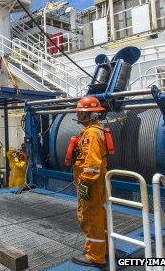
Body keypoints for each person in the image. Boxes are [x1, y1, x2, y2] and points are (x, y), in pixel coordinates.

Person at [71, 96, 109, 268]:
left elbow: (92, 164)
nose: (78, 116)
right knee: (99, 215)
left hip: (91, 184)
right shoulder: (96, 130)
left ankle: (94, 255)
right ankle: (103, 249)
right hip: (97, 182)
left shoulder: (91, 134)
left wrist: (85, 184)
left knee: (89, 216)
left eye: (81, 113)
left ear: (91, 115)